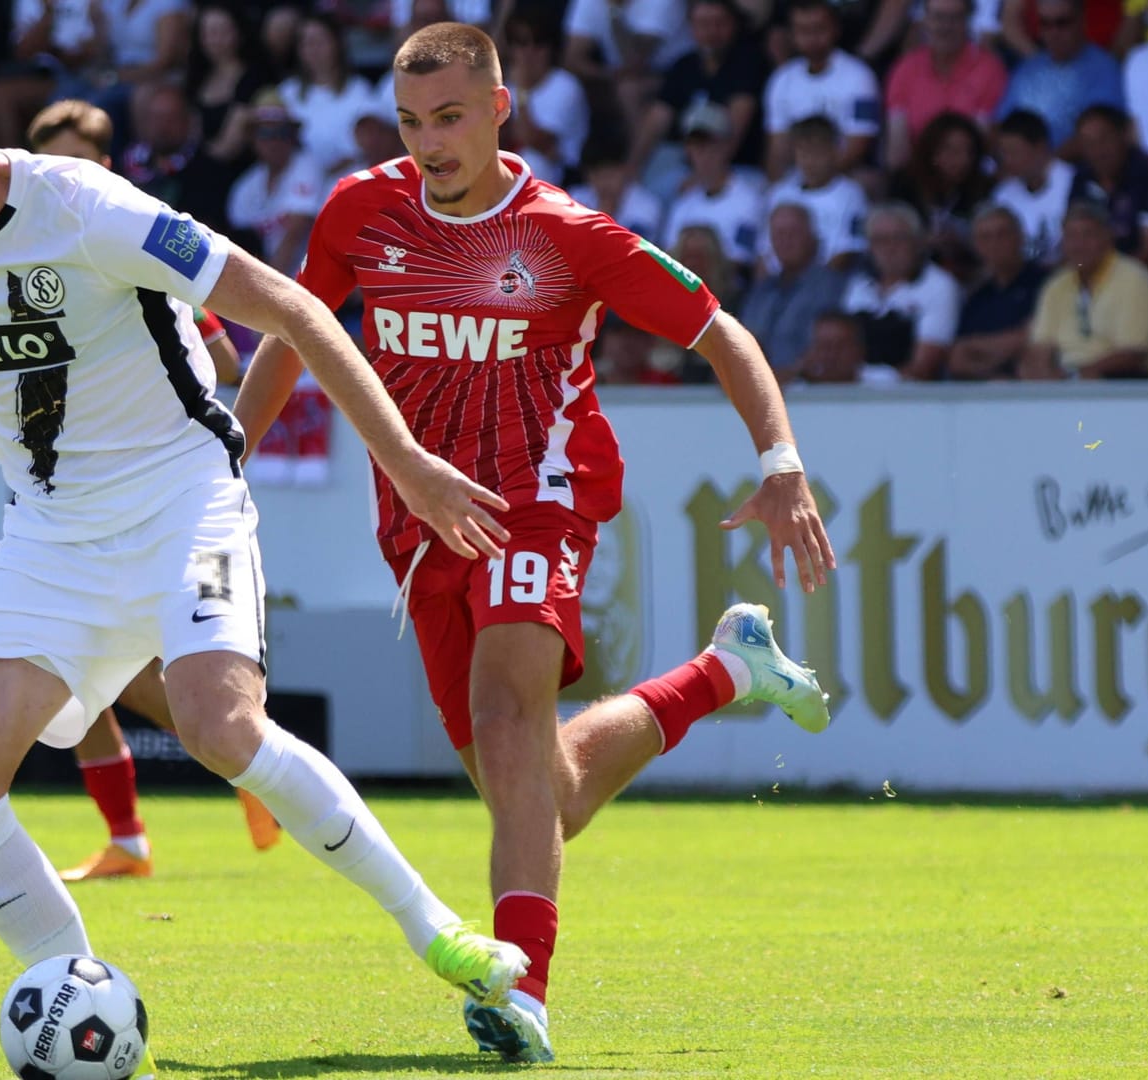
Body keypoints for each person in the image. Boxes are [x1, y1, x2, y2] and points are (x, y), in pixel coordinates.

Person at [0, 38, 532, 1074]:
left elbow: (291, 306)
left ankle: (437, 932)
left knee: (218, 724)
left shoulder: (90, 207)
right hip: (49, 534)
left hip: (181, 503)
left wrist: (408, 461)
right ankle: (79, 999)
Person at [234, 22, 834, 1063]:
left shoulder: (566, 233)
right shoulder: (356, 210)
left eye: (453, 117)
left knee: (511, 723)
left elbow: (720, 332)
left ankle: (524, 999)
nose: (431, 142)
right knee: (542, 792)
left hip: (538, 500)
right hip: (421, 523)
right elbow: (298, 330)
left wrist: (780, 463)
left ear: (501, 108)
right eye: (413, 121)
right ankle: (722, 671)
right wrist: (223, 455)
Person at [22, 97, 276, 878]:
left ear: (105, 168)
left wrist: (171, 335)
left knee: (153, 673)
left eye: (80, 159)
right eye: (50, 160)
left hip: (168, 498)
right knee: (70, 668)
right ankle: (130, 837)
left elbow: (229, 364)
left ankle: (251, 760)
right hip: (69, 498)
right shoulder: (17, 264)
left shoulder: (138, 253)